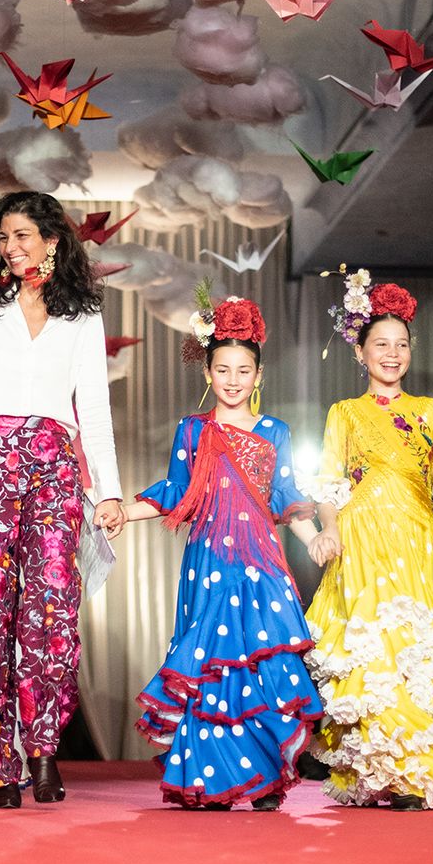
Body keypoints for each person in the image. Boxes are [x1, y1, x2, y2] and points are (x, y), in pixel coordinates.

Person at [0, 191, 124, 809]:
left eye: (21, 237)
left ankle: (42, 753)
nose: (10, 248)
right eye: (3, 238)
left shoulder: (82, 312)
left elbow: (92, 406)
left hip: (55, 466)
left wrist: (109, 491)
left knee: (52, 613)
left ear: (52, 240)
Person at [303, 268, 433, 810]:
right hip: (360, 547)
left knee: (412, 657)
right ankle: (381, 774)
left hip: (414, 547)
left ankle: (420, 775)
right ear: (361, 352)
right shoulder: (343, 413)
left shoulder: (429, 411)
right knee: (373, 661)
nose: (392, 354)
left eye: (401, 345)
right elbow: (329, 482)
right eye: (381, 344)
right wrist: (330, 528)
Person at [121, 295, 329, 810]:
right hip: (209, 565)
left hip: (263, 567)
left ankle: (260, 781)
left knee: (261, 667)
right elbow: (175, 492)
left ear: (258, 374)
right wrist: (123, 511)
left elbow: (284, 498)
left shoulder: (274, 431)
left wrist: (315, 538)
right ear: (208, 372)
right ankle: (212, 782)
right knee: (211, 665)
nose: (233, 379)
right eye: (223, 369)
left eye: (243, 369)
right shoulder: (193, 431)